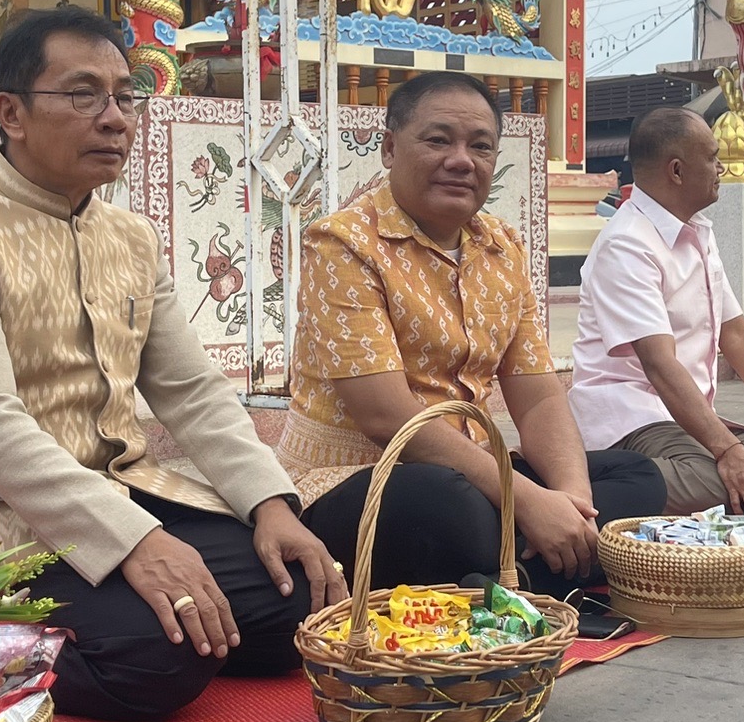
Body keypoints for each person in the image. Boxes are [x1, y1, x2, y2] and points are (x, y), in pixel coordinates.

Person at [0, 9, 343, 722]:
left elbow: (191, 391)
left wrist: (270, 505)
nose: (113, 119)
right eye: (83, 95)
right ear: (10, 113)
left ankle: (149, 614)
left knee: (295, 598)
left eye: (124, 97)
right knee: (157, 658)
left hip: (129, 489)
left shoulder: (130, 236)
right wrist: (135, 543)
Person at [279, 72, 665, 597]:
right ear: (390, 148)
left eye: (480, 146)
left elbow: (538, 397)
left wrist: (573, 506)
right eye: (439, 140)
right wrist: (526, 501)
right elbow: (386, 416)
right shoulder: (342, 243)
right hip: (363, 478)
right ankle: (533, 569)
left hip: (475, 471)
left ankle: (508, 574)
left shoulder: (502, 246)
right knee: (445, 505)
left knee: (637, 476)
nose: (461, 160)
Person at [570, 107, 744, 518]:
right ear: (677, 171)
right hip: (634, 424)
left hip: (692, 423)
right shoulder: (627, 244)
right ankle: (581, 482)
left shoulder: (697, 230)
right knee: (717, 477)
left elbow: (735, 333)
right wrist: (729, 450)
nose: (722, 168)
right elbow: (660, 365)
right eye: (713, 158)